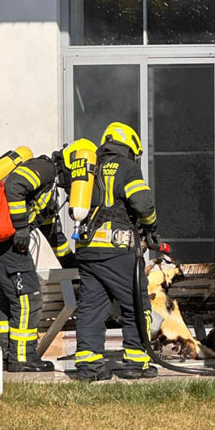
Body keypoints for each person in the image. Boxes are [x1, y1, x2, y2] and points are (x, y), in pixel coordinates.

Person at [0, 151, 75, 372]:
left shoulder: (47, 194)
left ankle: (4, 355)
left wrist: (75, 268)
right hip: (0, 235)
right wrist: (21, 228)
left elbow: (55, 237)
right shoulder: (45, 169)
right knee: (29, 297)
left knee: (10, 296)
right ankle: (23, 358)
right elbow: (15, 186)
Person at [73, 122, 162, 382]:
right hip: (116, 249)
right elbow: (142, 203)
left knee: (92, 307)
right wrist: (151, 227)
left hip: (87, 250)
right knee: (136, 304)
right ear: (130, 147)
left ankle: (89, 367)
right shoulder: (128, 167)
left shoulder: (89, 168)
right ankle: (137, 362)